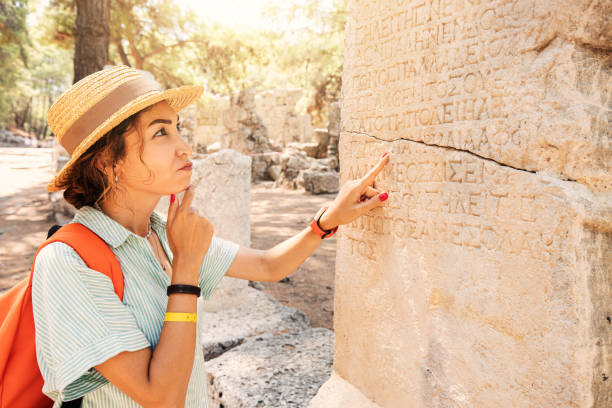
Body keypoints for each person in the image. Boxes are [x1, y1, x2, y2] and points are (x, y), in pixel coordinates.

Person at [32, 65, 390, 407]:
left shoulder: (159, 234)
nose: (185, 145)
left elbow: (269, 265)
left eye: (177, 127)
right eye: (160, 132)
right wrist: (186, 270)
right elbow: (161, 398)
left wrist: (326, 220)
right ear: (108, 162)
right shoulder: (67, 262)